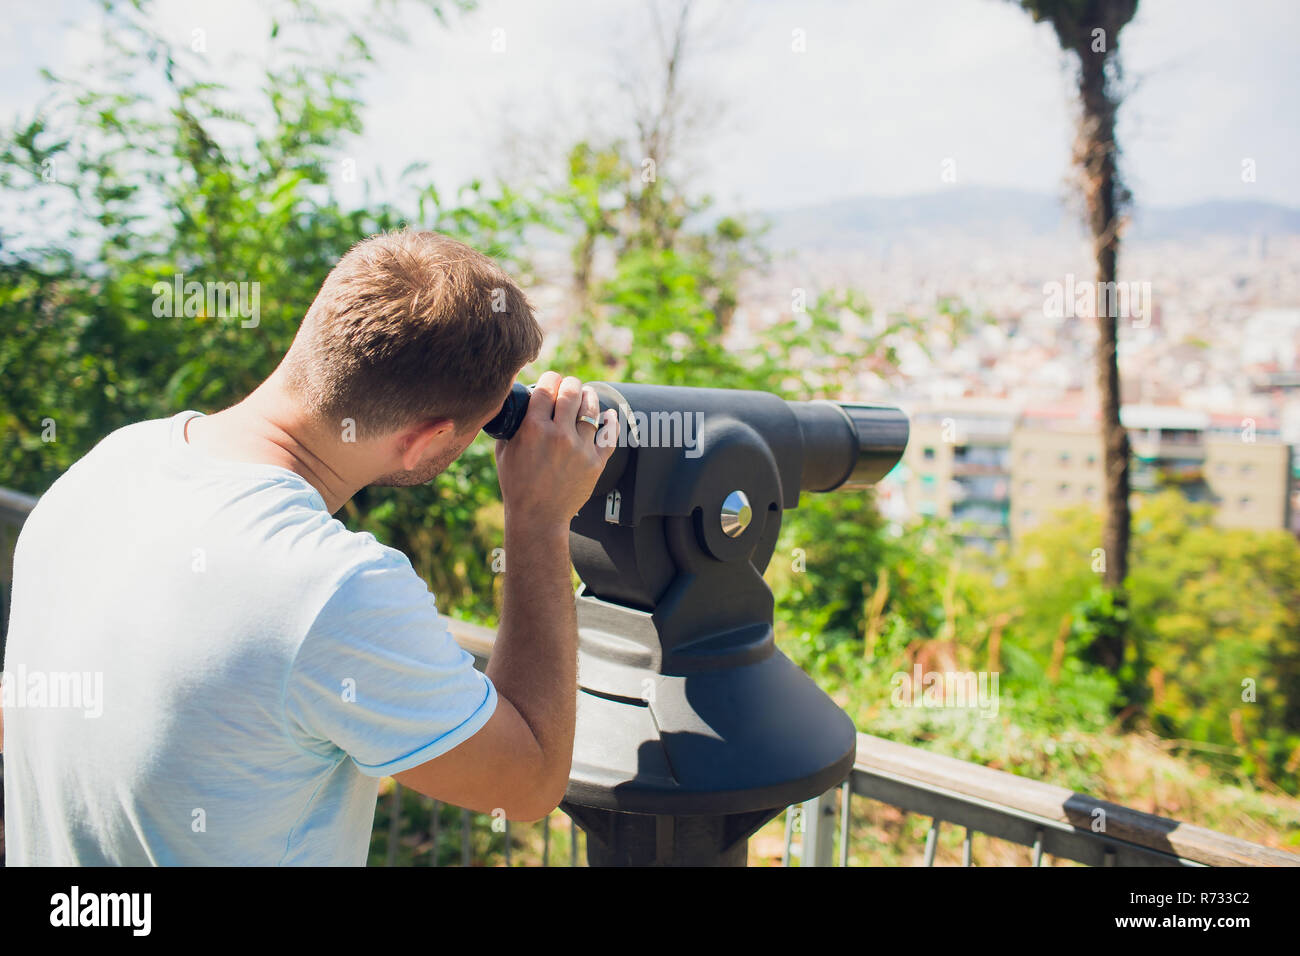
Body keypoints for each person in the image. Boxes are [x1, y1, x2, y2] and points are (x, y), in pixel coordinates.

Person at [0, 229, 615, 865]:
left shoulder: (112, 461)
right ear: (425, 440)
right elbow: (529, 779)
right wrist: (539, 520)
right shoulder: (335, 587)